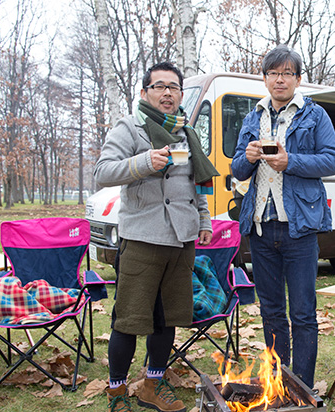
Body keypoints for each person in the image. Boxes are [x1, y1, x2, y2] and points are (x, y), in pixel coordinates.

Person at [95, 61, 219, 412]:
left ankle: (152, 384)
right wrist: (144, 162)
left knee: (167, 319)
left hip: (182, 241)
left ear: (181, 94)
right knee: (129, 320)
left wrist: (204, 220)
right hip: (142, 239)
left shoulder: (187, 132)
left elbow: (194, 185)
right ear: (144, 92)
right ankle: (117, 393)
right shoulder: (130, 127)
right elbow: (102, 172)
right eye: (159, 86)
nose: (167, 93)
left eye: (173, 87)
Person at [231, 45, 335, 388]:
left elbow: (332, 161)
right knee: (271, 311)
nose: (280, 80)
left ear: (298, 79)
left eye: (287, 74)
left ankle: (302, 387)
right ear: (264, 78)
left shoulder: (314, 115)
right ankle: (277, 382)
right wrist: (248, 158)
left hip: (300, 229)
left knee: (303, 313)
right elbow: (236, 168)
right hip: (261, 229)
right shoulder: (253, 117)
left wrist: (289, 161)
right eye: (274, 73)